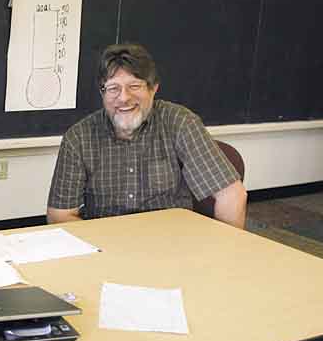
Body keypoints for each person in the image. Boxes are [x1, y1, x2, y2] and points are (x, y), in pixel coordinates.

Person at [47, 43, 247, 228]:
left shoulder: (180, 122)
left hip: (173, 242)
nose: (124, 97)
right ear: (102, 93)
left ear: (153, 88)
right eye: (113, 88)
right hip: (107, 247)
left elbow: (232, 196)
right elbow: (59, 216)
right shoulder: (78, 138)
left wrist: (220, 256)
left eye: (135, 86)